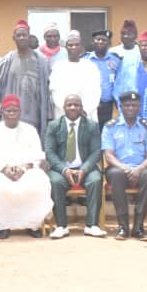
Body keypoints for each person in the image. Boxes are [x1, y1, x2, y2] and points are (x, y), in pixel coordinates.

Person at [0, 94, 52, 239]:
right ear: (2, 112)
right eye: (8, 111)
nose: (11, 114)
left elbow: (37, 156)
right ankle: (3, 226)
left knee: (39, 182)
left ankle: (32, 224)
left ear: (20, 112)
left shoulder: (30, 130)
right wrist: (4, 169)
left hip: (26, 171)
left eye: (15, 110)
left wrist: (23, 169)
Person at [43, 93, 104, 239]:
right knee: (55, 181)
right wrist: (64, 170)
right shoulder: (53, 126)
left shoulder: (92, 126)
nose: (73, 107)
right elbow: (50, 153)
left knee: (95, 180)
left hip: (85, 168)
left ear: (81, 107)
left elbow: (96, 152)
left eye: (76, 105)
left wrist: (84, 169)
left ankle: (92, 225)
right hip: (61, 169)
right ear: (63, 108)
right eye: (69, 105)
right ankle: (61, 226)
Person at [102, 91, 147, 241]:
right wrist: (125, 168)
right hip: (118, 168)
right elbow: (109, 155)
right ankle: (123, 226)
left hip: (141, 167)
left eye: (134, 105)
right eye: (127, 105)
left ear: (139, 107)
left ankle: (138, 227)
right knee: (117, 175)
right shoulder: (110, 127)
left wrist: (138, 169)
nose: (131, 108)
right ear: (121, 107)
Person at [0, 20, 51, 134]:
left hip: (34, 113)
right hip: (11, 113)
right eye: (19, 35)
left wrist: (48, 114)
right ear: (14, 38)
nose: (22, 38)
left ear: (29, 37)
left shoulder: (41, 60)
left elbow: (47, 89)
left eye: (24, 35)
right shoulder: (6, 60)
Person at [48, 31, 101, 122]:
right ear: (66, 48)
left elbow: (95, 92)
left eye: (77, 45)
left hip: (86, 115)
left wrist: (84, 110)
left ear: (81, 47)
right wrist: (69, 111)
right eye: (70, 45)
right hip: (63, 114)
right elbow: (54, 92)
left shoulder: (90, 67)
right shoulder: (58, 67)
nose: (73, 47)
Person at [88, 30, 121, 123]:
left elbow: (118, 82)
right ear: (92, 42)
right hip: (89, 104)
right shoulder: (85, 59)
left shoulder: (116, 60)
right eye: (98, 39)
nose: (100, 42)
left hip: (107, 105)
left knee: (106, 131)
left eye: (104, 40)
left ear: (109, 43)